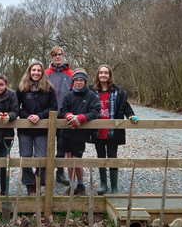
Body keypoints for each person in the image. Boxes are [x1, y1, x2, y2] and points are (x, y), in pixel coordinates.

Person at [90, 64, 138, 194]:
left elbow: (125, 106)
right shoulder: (91, 91)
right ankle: (103, 184)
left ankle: (114, 187)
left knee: (112, 157)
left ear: (110, 75)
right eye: (101, 73)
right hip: (97, 130)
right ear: (98, 75)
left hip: (113, 131)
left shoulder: (119, 92)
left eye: (106, 73)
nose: (103, 75)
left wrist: (131, 115)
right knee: (101, 157)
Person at [16, 61, 58, 195]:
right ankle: (30, 186)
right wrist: (27, 116)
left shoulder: (48, 88)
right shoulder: (22, 88)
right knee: (26, 157)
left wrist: (39, 116)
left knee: (41, 157)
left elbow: (53, 107)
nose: (36, 73)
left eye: (38, 70)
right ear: (29, 71)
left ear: (42, 72)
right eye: (33, 70)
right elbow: (16, 107)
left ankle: (40, 182)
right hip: (25, 129)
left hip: (42, 129)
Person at [58, 68, 100, 196]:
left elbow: (95, 111)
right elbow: (62, 111)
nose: (79, 82)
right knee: (69, 160)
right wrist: (69, 116)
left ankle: (80, 184)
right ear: (73, 82)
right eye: (76, 80)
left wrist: (81, 118)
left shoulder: (91, 96)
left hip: (80, 134)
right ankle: (71, 185)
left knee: (77, 160)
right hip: (67, 133)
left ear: (85, 82)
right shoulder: (69, 96)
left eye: (81, 80)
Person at [45, 46, 73, 186]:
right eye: (55, 55)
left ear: (63, 56)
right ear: (51, 57)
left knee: (62, 144)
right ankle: (44, 171)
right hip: (47, 115)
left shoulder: (71, 74)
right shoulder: (45, 74)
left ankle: (60, 172)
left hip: (64, 115)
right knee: (46, 144)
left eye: (60, 54)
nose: (57, 57)